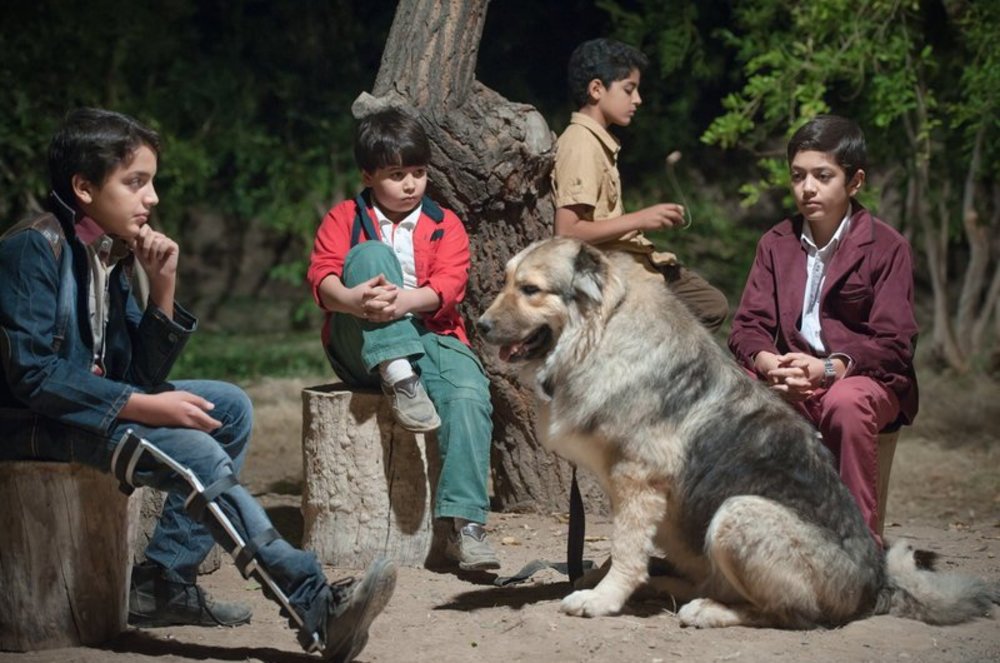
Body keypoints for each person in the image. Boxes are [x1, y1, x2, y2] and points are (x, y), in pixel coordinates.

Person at [0, 108, 395, 662]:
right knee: (193, 451)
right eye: (135, 182)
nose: (152, 197)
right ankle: (313, 604)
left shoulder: (109, 253)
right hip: (33, 424)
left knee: (228, 407)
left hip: (85, 408)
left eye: (151, 182)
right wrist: (146, 408)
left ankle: (162, 580)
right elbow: (32, 375)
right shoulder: (33, 248)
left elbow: (140, 373)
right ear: (83, 188)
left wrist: (162, 285)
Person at [307, 108, 499, 572]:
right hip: (359, 338)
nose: (411, 184)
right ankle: (398, 373)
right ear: (368, 176)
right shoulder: (344, 217)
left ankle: (466, 525)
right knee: (371, 254)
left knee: (469, 393)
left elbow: (449, 285)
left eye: (419, 172)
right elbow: (321, 276)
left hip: (429, 332)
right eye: (397, 175)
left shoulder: (444, 223)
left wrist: (404, 303)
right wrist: (352, 300)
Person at [728, 114, 919, 548]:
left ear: (854, 182)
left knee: (846, 404)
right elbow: (747, 327)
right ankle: (745, 542)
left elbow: (894, 345)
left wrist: (827, 369)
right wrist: (771, 365)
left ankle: (857, 551)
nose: (807, 188)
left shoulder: (887, 247)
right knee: (729, 395)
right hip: (792, 374)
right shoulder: (775, 243)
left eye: (822, 175)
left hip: (861, 379)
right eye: (798, 176)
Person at [551, 37, 729, 332]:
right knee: (706, 309)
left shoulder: (597, 143)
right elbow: (568, 231)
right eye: (628, 90)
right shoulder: (581, 143)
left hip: (639, 266)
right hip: (620, 276)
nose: (638, 100)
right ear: (596, 89)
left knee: (709, 305)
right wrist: (641, 218)